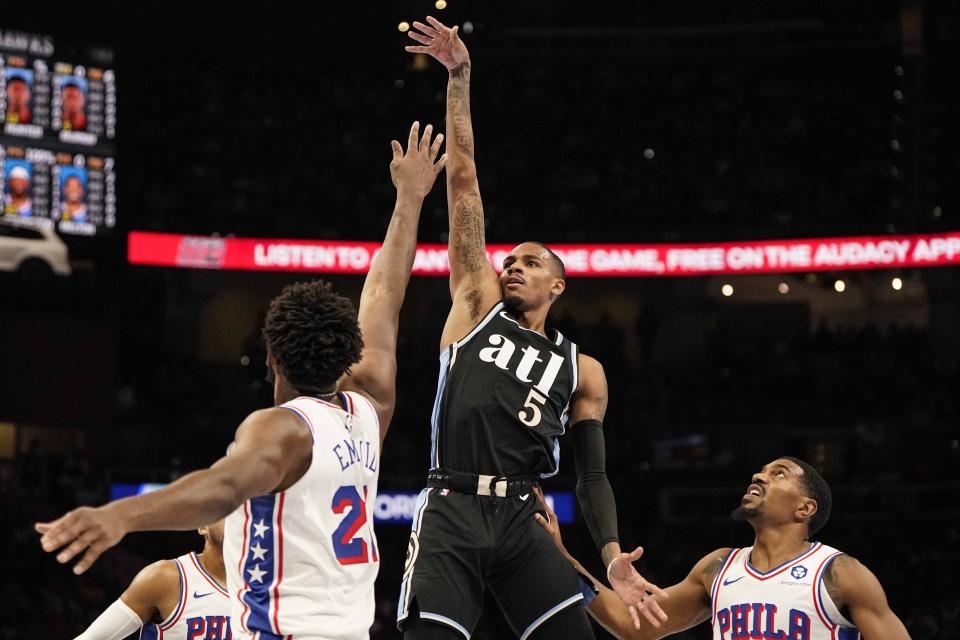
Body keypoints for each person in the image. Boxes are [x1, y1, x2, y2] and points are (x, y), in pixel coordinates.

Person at [37, 121, 448, 640]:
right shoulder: (371, 404)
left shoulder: (282, 428)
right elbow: (386, 291)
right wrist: (410, 198)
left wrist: (122, 515)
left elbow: (224, 487)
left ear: (271, 357)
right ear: (348, 352)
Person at [398, 17, 665, 640]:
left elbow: (592, 475)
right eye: (510, 260)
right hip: (452, 503)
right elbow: (463, 181)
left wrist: (610, 556)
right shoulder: (476, 304)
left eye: (531, 262)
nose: (513, 266)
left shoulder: (584, 369)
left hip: (524, 514)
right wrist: (459, 76)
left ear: (558, 286)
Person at [534, 457, 912, 640]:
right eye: (761, 470)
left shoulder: (839, 573)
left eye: (778, 473)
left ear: (804, 508)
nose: (759, 475)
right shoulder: (718, 567)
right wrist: (563, 560)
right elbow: (635, 628)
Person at [74, 521, 231, 640]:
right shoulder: (167, 577)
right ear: (202, 525)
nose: (234, 518)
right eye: (227, 509)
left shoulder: (254, 590)